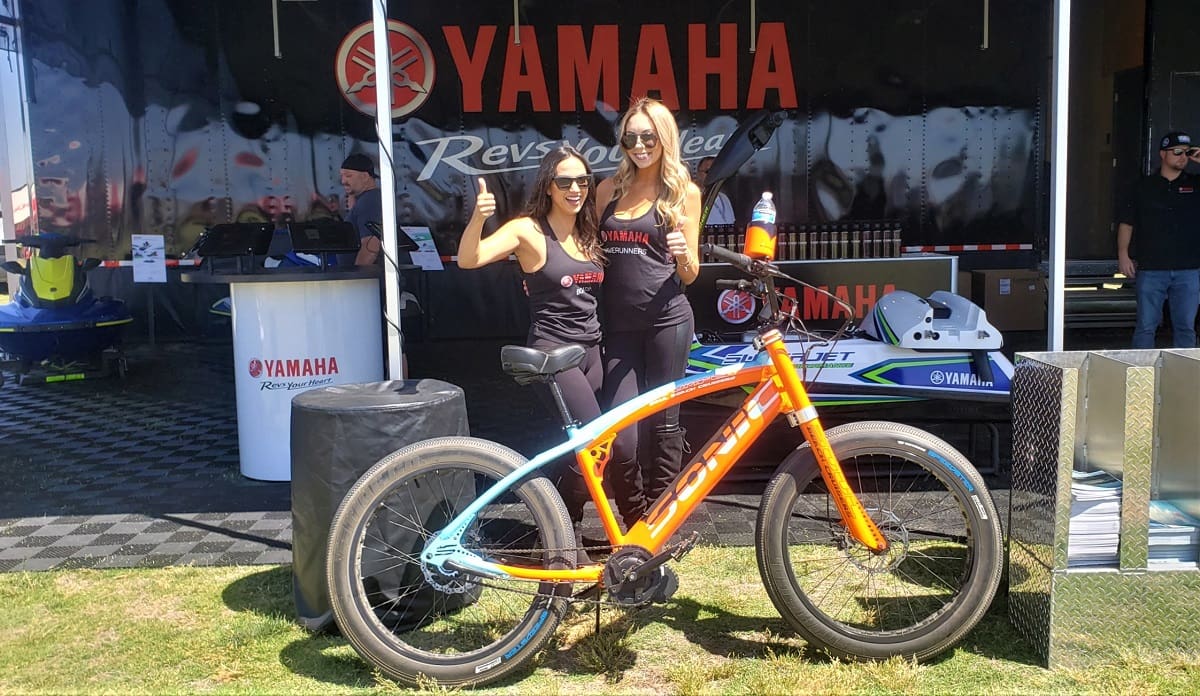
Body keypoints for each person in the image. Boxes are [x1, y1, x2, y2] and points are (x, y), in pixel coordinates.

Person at [459, 145, 605, 536]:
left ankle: (560, 526)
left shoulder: (586, 228)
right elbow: (469, 259)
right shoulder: (527, 229)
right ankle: (560, 526)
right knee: (593, 443)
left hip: (592, 351)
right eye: (565, 181)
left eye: (582, 180)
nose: (575, 188)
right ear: (549, 186)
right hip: (554, 353)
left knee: (576, 447)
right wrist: (479, 218)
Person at [595, 96, 702, 529]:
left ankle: (660, 523)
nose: (639, 145)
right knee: (622, 434)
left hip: (667, 322)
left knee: (664, 426)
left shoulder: (683, 193)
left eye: (648, 137)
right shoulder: (607, 190)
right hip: (618, 327)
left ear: (664, 139)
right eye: (630, 137)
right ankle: (634, 514)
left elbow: (691, 274)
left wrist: (682, 255)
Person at [1117, 131, 1200, 349]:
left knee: (1186, 327)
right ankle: (1140, 379)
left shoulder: (1196, 184)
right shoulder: (1144, 186)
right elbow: (1127, 223)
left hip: (1188, 269)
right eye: (1177, 152)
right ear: (1163, 154)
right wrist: (1123, 254)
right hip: (1152, 268)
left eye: (1187, 152)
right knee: (1146, 326)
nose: (1183, 157)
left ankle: (1185, 378)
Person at [340, 153, 384, 266]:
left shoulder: (370, 201)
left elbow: (371, 245)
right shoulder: (368, 199)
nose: (343, 181)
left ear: (364, 177)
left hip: (367, 279)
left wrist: (358, 278)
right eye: (342, 176)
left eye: (348, 176)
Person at [696, 155, 735, 226]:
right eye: (707, 171)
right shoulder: (694, 198)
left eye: (715, 172)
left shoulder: (724, 198)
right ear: (698, 174)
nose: (712, 175)